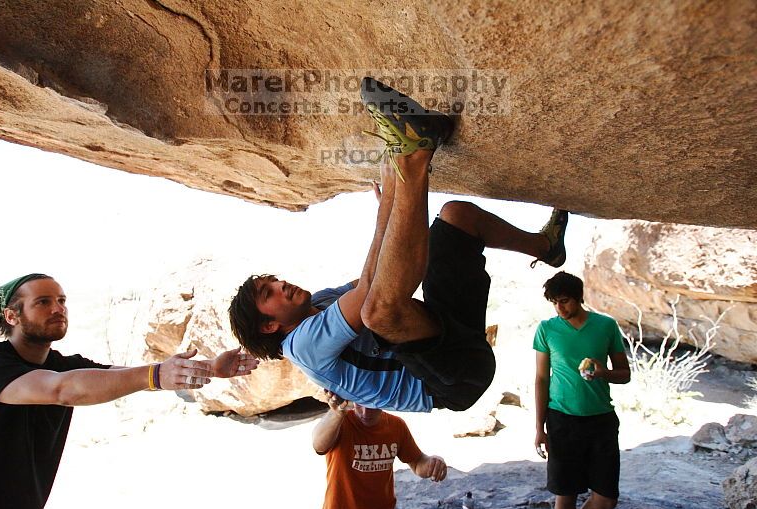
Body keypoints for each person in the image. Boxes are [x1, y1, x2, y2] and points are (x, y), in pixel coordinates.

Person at [229, 77, 569, 412]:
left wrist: (390, 198)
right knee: (376, 312)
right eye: (267, 293)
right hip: (450, 382)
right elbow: (370, 293)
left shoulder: (321, 302)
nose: (279, 284)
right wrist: (393, 188)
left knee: (457, 217)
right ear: (270, 326)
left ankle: (546, 247)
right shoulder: (302, 346)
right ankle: (417, 151)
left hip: (446, 328)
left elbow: (380, 274)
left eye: (271, 281)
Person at [0, 273, 259, 509]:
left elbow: (121, 376)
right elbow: (62, 390)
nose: (58, 309)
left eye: (61, 300)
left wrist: (211, 368)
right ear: (12, 316)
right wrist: (156, 374)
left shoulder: (62, 364)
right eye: (43, 302)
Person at [533, 271, 631, 509]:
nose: (559, 307)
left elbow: (625, 374)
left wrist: (604, 373)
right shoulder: (546, 329)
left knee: (607, 498)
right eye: (554, 302)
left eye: (564, 300)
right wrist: (539, 429)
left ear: (578, 298)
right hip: (561, 419)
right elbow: (541, 379)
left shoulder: (606, 326)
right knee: (565, 494)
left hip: (601, 420)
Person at [312, 391, 447, 509]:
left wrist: (434, 464)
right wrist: (337, 413)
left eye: (372, 404)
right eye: (360, 403)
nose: (365, 412)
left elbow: (417, 462)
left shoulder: (396, 425)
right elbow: (318, 445)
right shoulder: (341, 422)